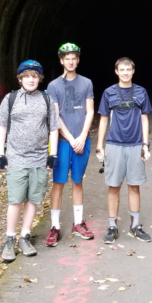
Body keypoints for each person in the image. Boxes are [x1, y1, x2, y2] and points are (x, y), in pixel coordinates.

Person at [0, 60, 60, 262]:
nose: (31, 79)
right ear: (20, 78)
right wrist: (0, 153)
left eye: (35, 76)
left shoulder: (47, 100)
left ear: (39, 79)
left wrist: (53, 154)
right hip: (16, 157)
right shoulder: (10, 99)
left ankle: (25, 236)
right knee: (16, 200)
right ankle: (9, 239)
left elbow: (53, 128)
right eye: (27, 76)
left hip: (39, 158)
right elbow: (1, 127)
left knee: (33, 199)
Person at [96, 57, 152, 244]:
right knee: (114, 186)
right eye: (122, 69)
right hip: (114, 144)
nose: (126, 72)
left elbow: (145, 119)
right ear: (116, 71)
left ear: (133, 71)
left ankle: (135, 225)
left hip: (135, 144)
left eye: (129, 69)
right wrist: (100, 146)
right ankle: (112, 226)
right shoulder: (109, 92)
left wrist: (145, 144)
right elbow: (103, 119)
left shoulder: (141, 92)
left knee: (134, 186)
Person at [45, 43, 95, 246]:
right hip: (63, 142)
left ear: (78, 60)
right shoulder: (54, 86)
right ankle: (55, 226)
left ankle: (78, 222)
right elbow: (55, 116)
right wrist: (72, 139)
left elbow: (90, 111)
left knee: (77, 181)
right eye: (67, 58)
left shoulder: (86, 83)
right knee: (58, 183)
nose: (71, 61)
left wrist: (82, 136)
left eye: (74, 57)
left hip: (82, 139)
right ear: (61, 61)